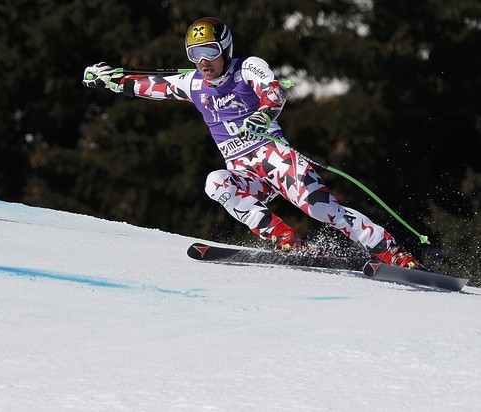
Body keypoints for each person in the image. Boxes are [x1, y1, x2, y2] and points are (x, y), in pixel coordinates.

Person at [83, 16, 424, 269]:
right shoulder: (193, 83)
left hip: (275, 158)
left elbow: (273, 93)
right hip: (245, 171)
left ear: (225, 48)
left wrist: (263, 115)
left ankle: (390, 250)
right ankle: (284, 239)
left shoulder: (248, 67)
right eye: (194, 54)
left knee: (320, 208)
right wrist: (110, 80)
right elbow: (150, 85)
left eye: (210, 51)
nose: (203, 61)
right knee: (215, 183)